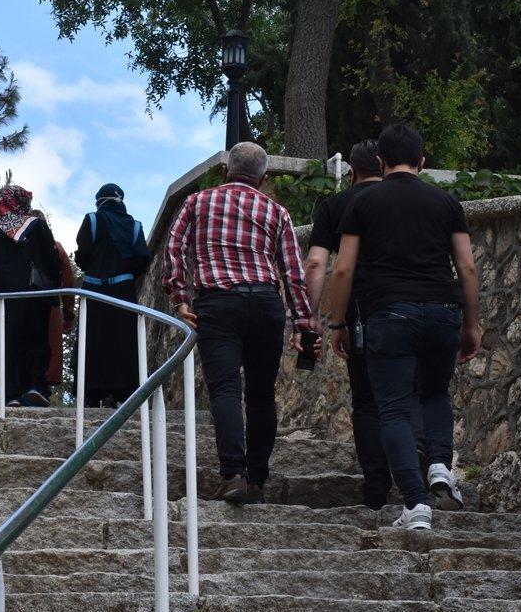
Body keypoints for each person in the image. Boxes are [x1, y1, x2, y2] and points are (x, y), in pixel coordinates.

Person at [328, 123, 482, 532]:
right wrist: (471, 323)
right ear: (422, 161)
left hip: (389, 313)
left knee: (393, 409)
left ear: (380, 161)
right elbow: (466, 267)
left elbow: (342, 269)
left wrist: (338, 323)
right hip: (443, 311)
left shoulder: (362, 203)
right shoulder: (447, 202)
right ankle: (439, 466)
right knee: (435, 393)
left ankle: (415, 505)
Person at [163, 143, 317, 505]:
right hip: (265, 303)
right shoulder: (277, 211)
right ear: (263, 178)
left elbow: (173, 248)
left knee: (225, 389)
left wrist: (180, 298)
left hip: (218, 303)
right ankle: (258, 480)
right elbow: (293, 272)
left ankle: (234, 474)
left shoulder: (197, 202)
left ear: (224, 172)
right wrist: (303, 323)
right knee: (262, 394)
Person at [305, 141, 400, 509]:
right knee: (407, 395)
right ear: (383, 164)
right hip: (410, 304)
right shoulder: (403, 200)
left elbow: (317, 263)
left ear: (352, 172)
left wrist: (313, 316)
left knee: (366, 400)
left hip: (361, 309)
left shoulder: (336, 205)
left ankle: (376, 487)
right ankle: (418, 481)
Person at [0, 185, 61, 407]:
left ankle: (10, 393)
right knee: (35, 340)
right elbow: (52, 261)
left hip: (3, 299)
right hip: (35, 296)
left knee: (6, 344)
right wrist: (54, 290)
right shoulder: (37, 225)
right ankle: (34, 387)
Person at [74, 184, 151, 408]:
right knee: (123, 341)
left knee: (92, 340)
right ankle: (122, 393)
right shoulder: (135, 226)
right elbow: (142, 259)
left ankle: (91, 393)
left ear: (100, 200)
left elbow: (82, 254)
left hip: (94, 289)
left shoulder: (92, 220)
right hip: (124, 291)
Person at [33, 209, 76, 396]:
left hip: (20, 303)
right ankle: (41, 390)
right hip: (50, 303)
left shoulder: (15, 245)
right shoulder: (56, 247)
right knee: (47, 347)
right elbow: (68, 280)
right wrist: (68, 314)